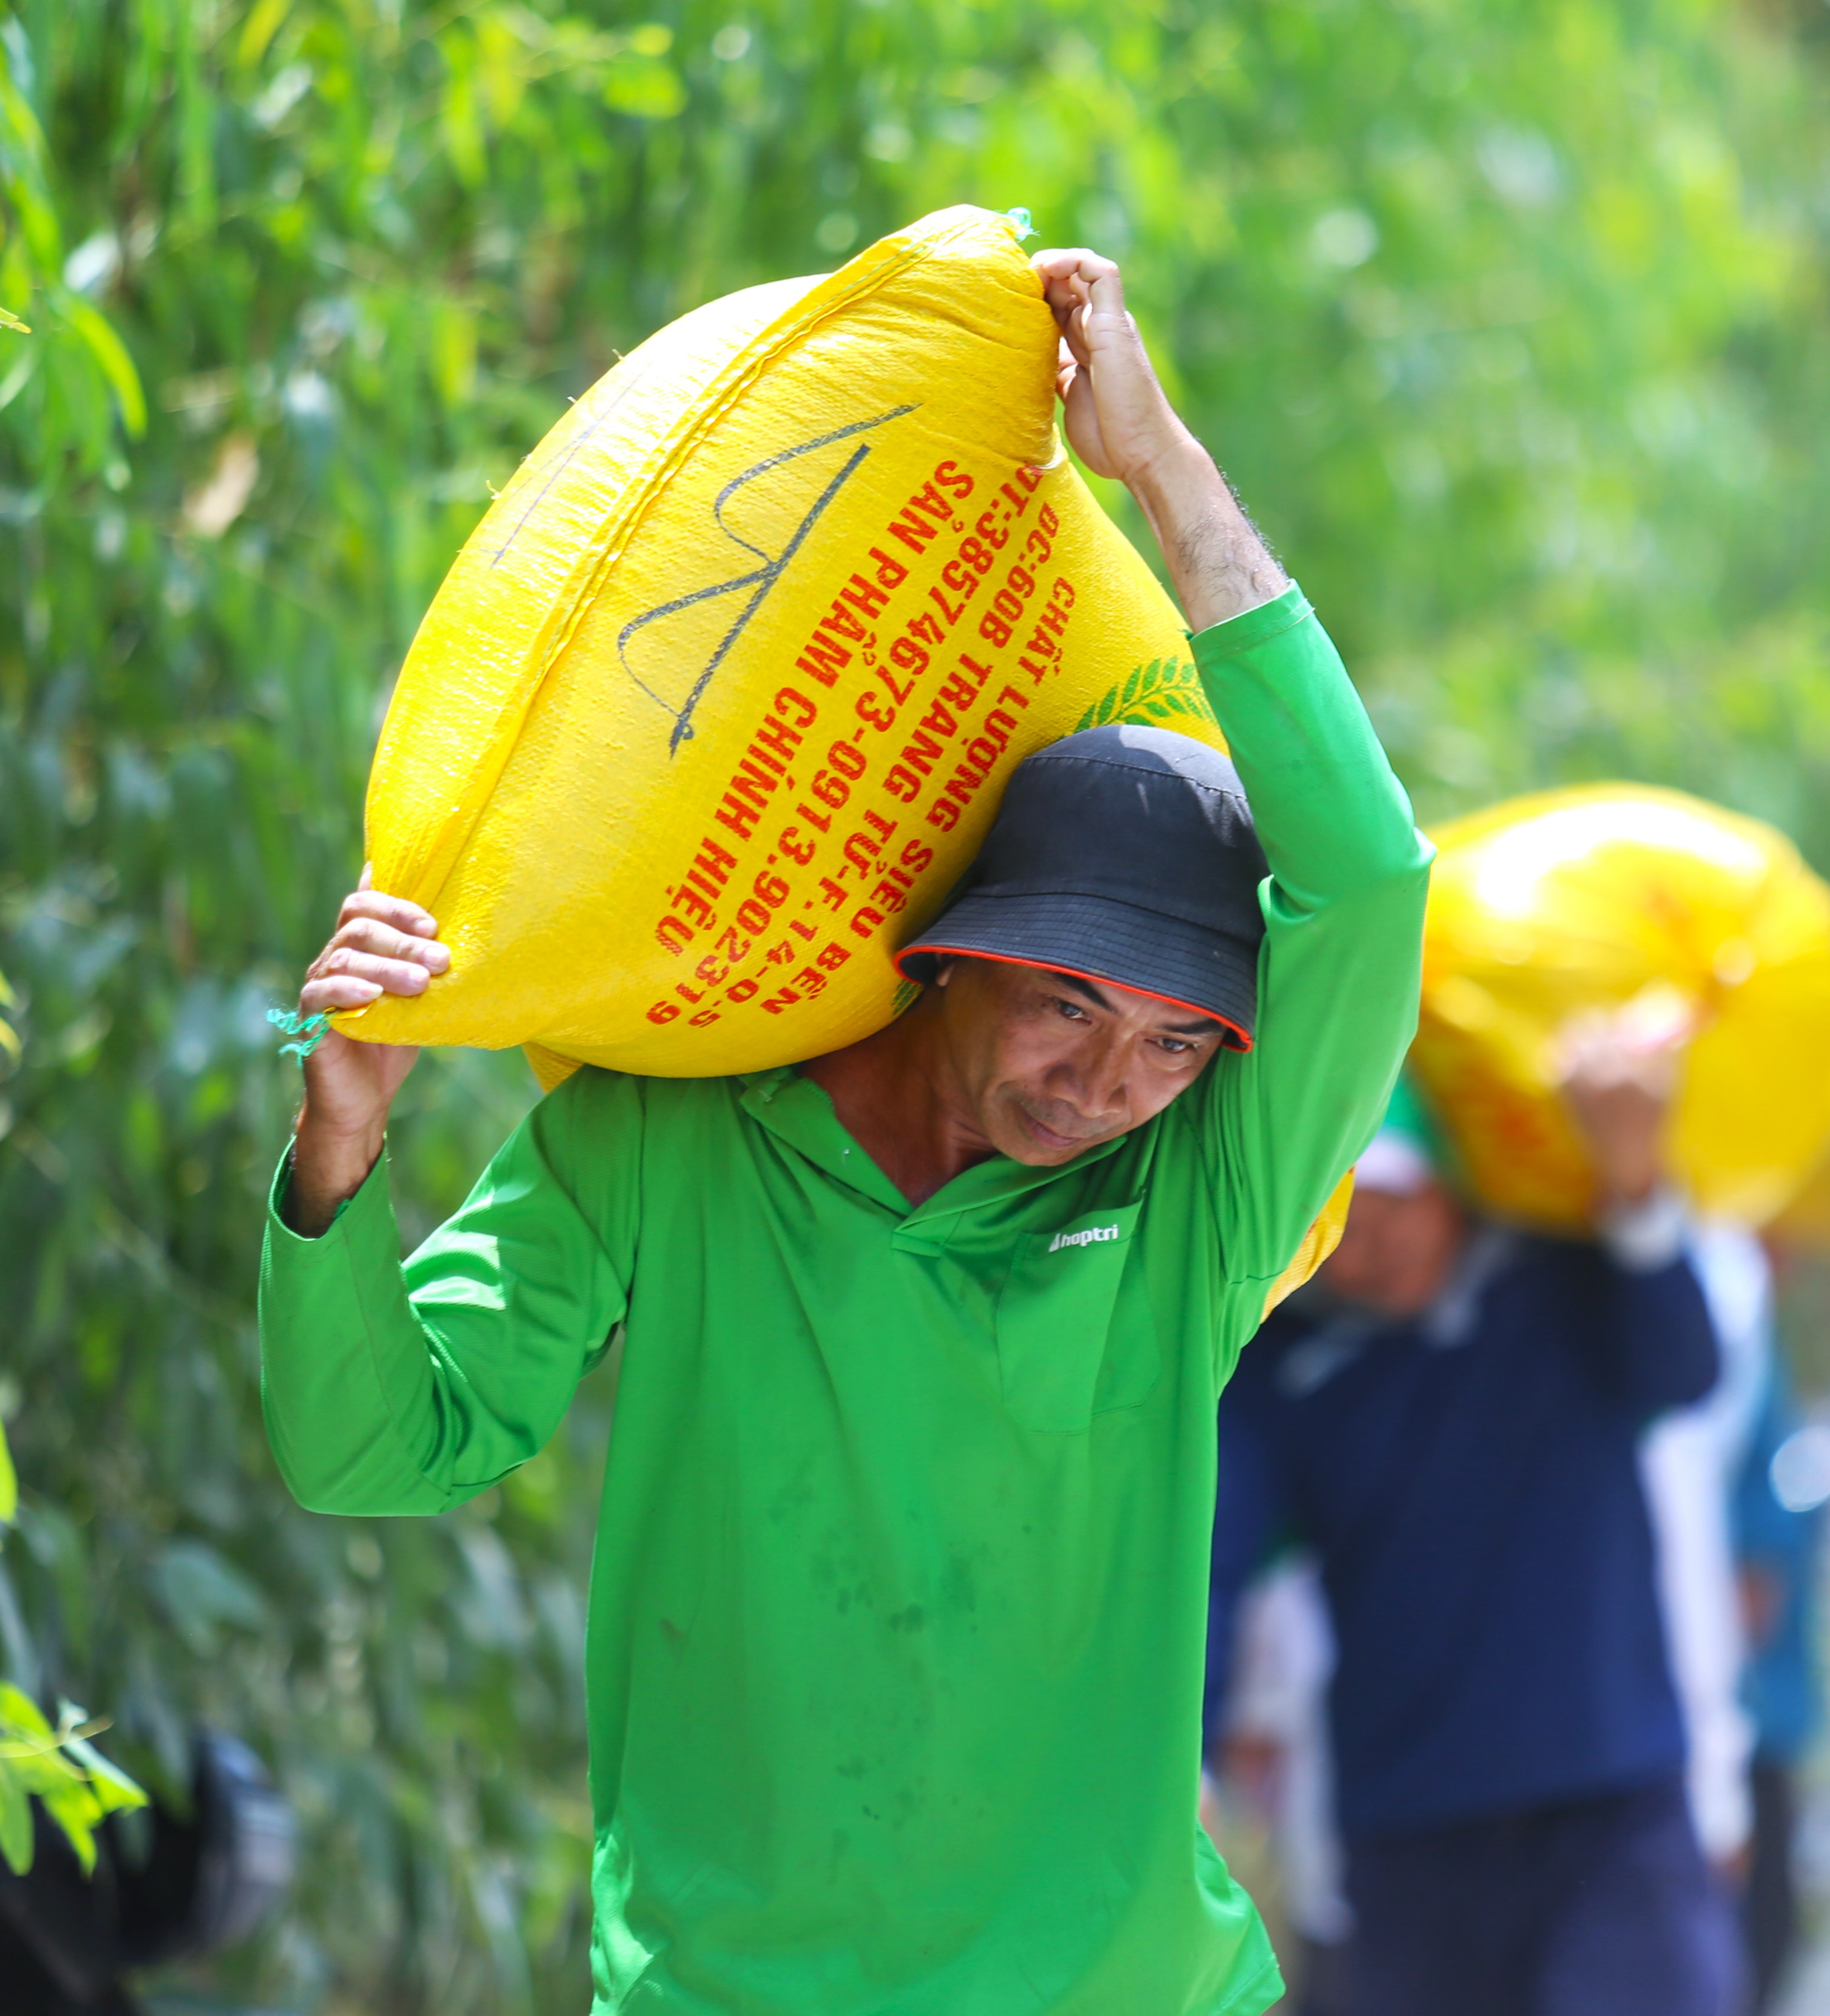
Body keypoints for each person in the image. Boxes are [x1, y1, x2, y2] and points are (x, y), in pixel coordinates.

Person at [257, 249, 1432, 2016]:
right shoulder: (667, 1144)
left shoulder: (1201, 1200)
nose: (1108, 1085)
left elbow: (1372, 882)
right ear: (950, 957)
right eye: (1067, 1006)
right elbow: (378, 1450)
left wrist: (1160, 468)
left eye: (1178, 1044)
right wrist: (339, 1150)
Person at [1205, 1048, 1740, 2016]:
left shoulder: (1559, 1281)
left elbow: (1685, 1369)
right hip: (1407, 1818)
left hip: (1611, 1796)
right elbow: (1209, 1568)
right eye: (1340, 1222)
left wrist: (1634, 1181)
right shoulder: (1278, 1365)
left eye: (1394, 1201)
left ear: (1451, 1181)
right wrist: (1186, 1766)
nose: (1373, 1241)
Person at [1728, 1342, 1830, 2014]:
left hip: (1755, 1727)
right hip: (1721, 1732)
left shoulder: (1757, 1347)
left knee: (1760, 1943)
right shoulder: (1740, 1338)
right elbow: (1751, 1589)